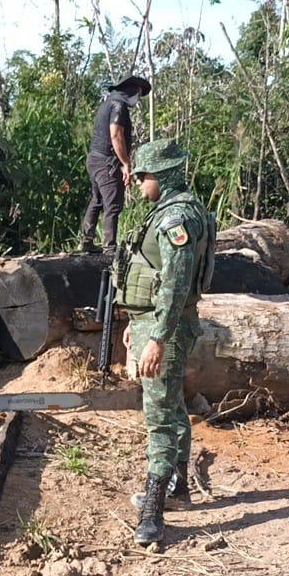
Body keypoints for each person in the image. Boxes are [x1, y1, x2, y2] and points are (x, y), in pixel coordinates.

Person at [113, 139, 215, 546]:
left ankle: (153, 512)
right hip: (153, 323)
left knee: (157, 415)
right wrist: (136, 323)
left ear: (165, 175)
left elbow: (174, 285)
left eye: (143, 177)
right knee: (172, 407)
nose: (138, 184)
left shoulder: (176, 218)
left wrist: (156, 337)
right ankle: (179, 488)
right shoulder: (177, 211)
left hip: (164, 329)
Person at [79, 75, 151, 255]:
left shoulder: (107, 104)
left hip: (94, 159)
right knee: (113, 204)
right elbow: (116, 135)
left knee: (97, 200)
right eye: (138, 94)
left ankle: (86, 241)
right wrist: (126, 163)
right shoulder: (119, 106)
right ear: (132, 91)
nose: (138, 99)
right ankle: (109, 247)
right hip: (106, 161)